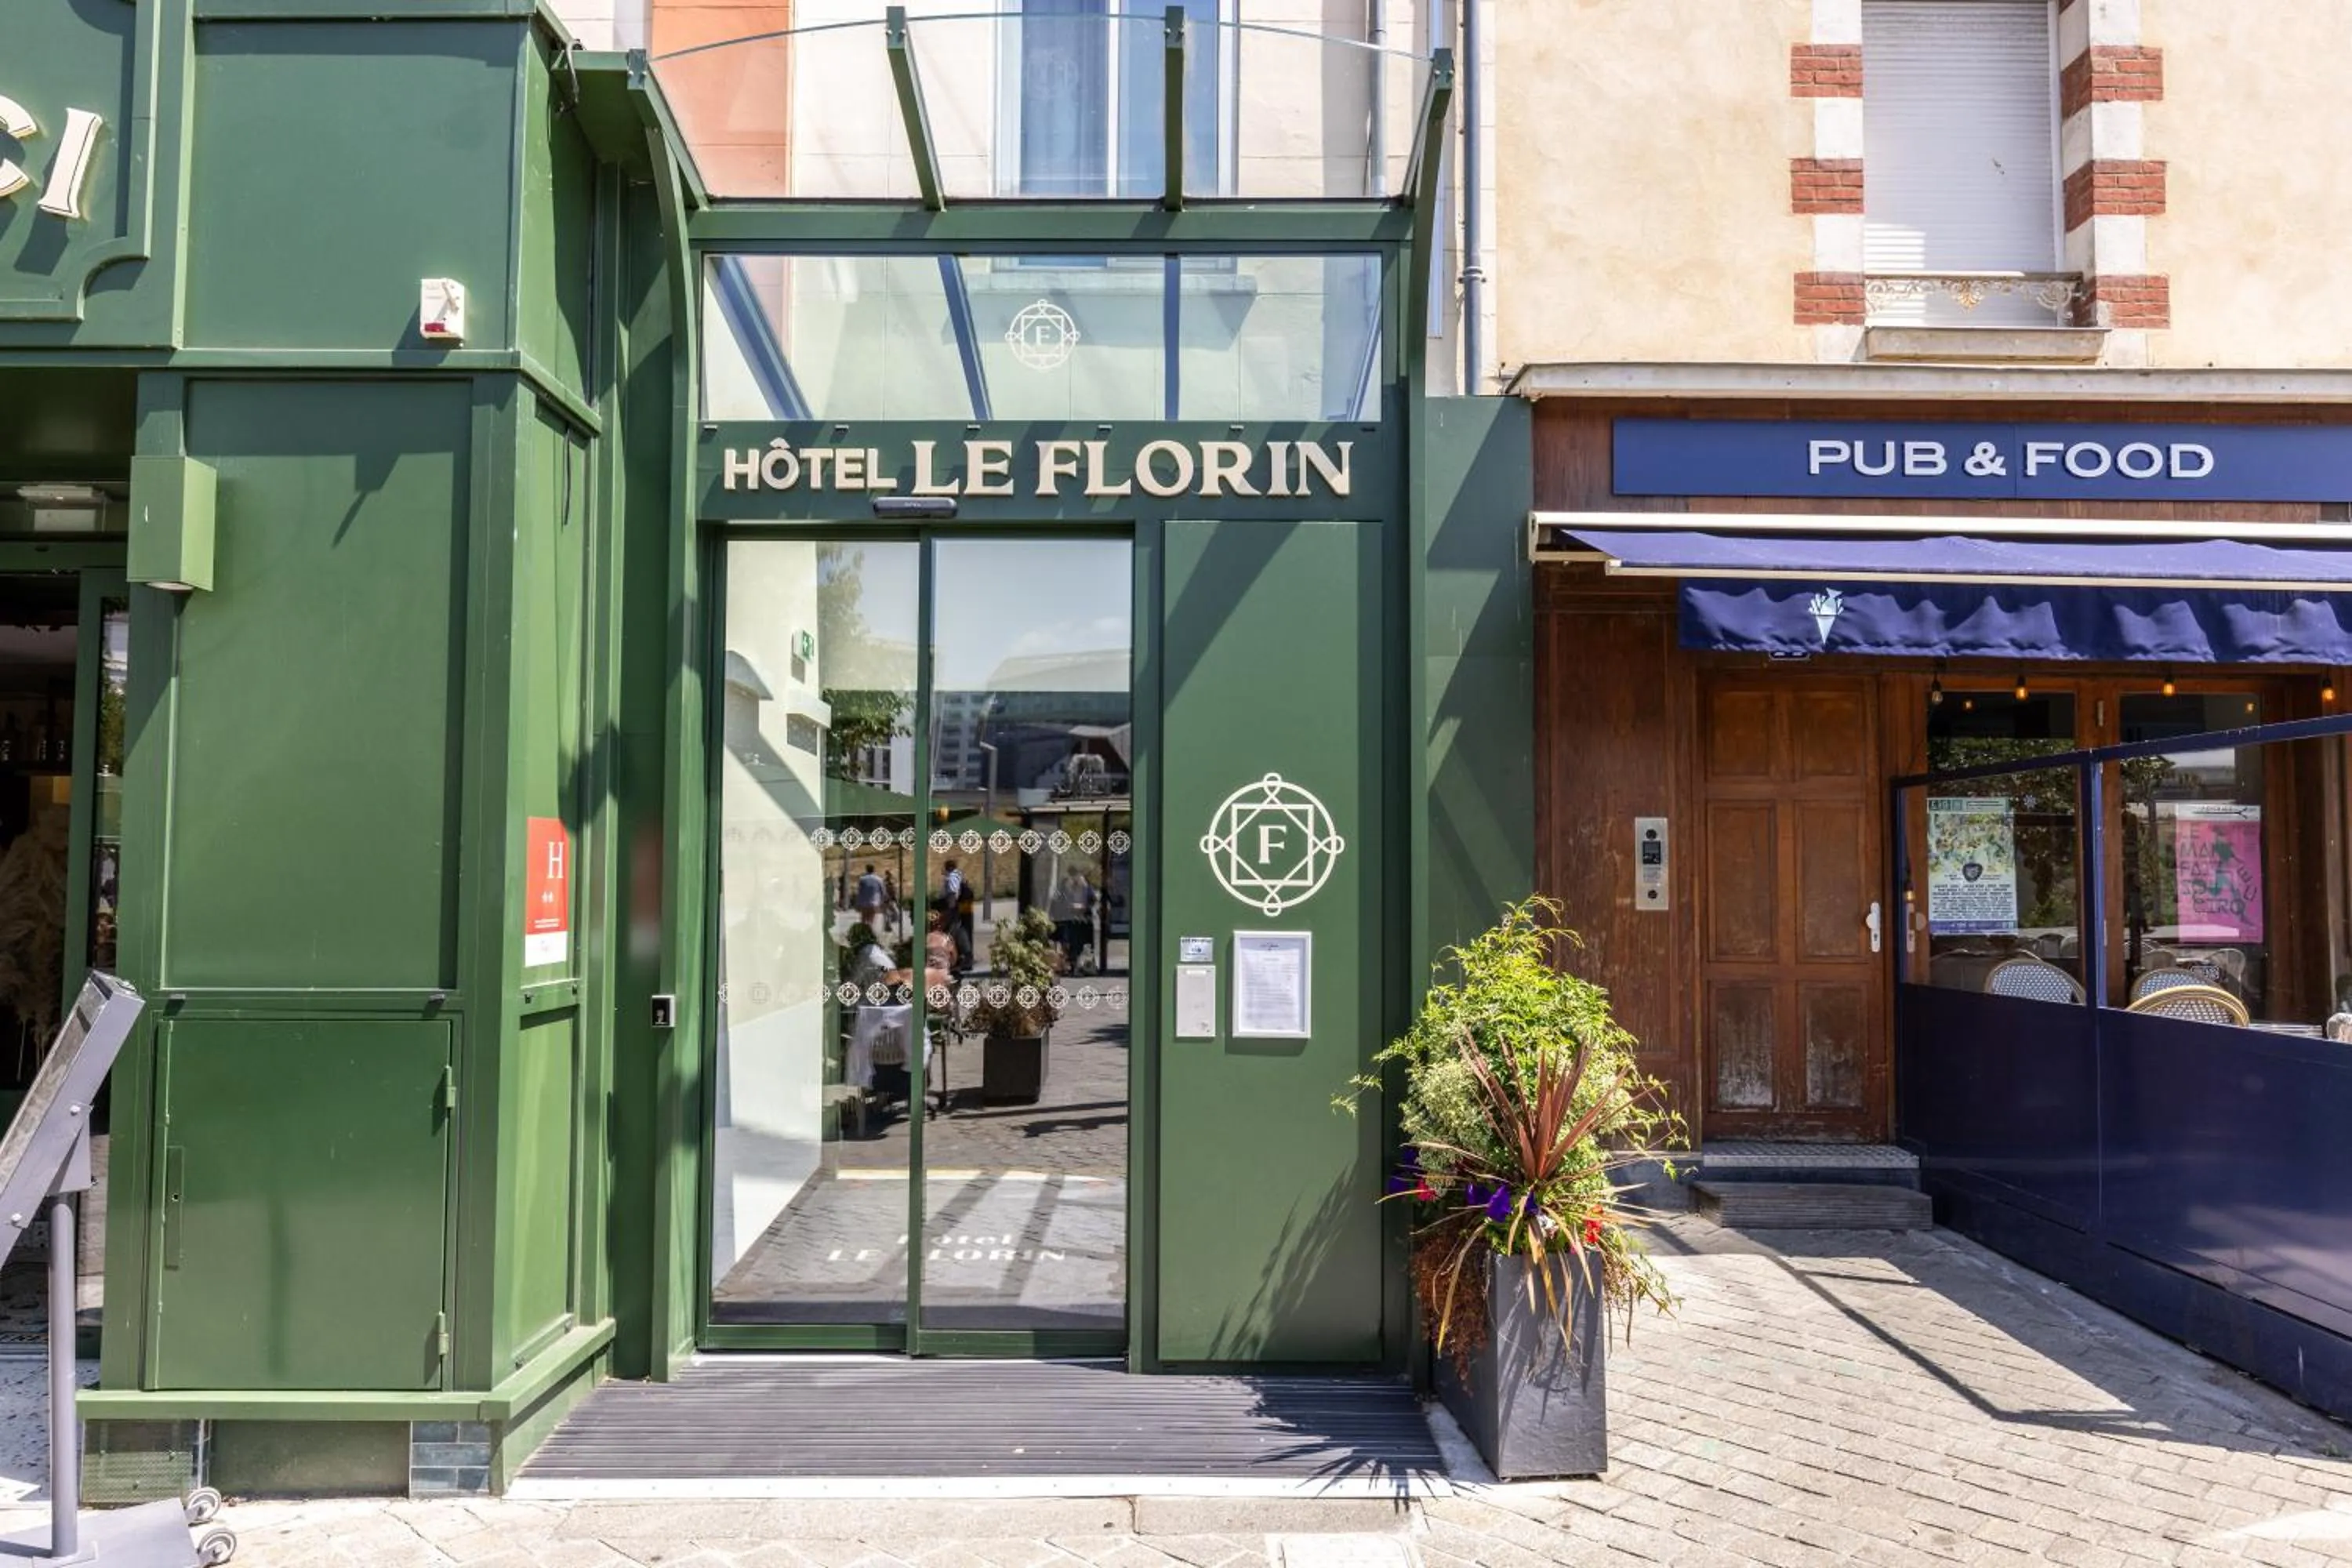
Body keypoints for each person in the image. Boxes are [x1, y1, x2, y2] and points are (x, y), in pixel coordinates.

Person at [1049, 868, 1095, 971]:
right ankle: (1068, 961)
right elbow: (1056, 904)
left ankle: (1075, 962)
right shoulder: (1064, 889)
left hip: (1081, 921)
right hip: (1067, 920)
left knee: (1077, 938)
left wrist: (1083, 907)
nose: (1076, 881)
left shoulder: (1086, 889)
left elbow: (1091, 903)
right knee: (1067, 936)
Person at [942, 858, 974, 967]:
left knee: (955, 930)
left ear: (948, 867)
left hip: (957, 907)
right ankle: (965, 955)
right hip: (965, 907)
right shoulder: (959, 875)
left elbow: (953, 893)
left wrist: (950, 909)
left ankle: (961, 956)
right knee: (963, 929)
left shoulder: (951, 877)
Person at [853, 861, 886, 935]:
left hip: (864, 903)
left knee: (864, 920)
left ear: (866, 869)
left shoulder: (862, 879)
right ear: (874, 869)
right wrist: (883, 903)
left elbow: (859, 892)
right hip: (874, 903)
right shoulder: (879, 879)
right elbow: (883, 892)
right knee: (871, 920)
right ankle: (870, 933)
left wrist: (857, 903)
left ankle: (864, 934)